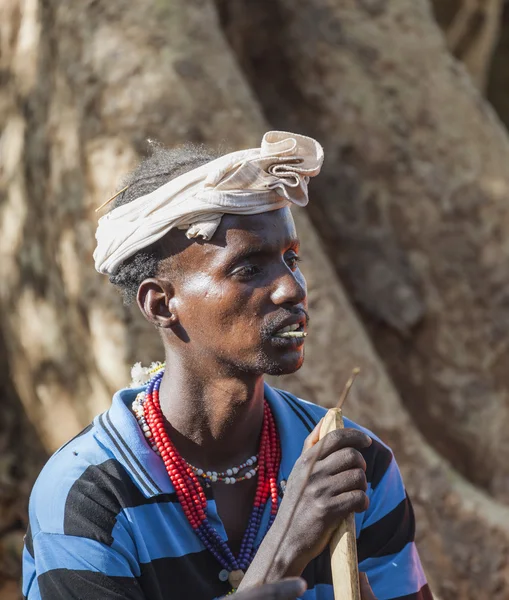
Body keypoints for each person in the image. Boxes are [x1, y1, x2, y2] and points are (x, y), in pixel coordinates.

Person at [22, 132, 432, 600]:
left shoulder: (353, 466)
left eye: (290, 259)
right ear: (161, 304)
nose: (292, 289)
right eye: (248, 269)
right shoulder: (89, 495)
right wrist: (285, 546)